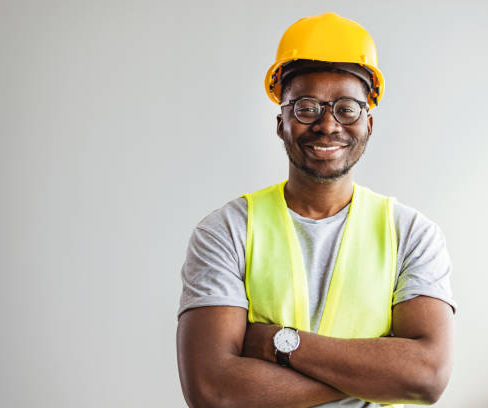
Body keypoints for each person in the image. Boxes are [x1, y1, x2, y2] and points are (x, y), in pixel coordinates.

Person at [177, 12, 456, 408]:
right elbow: (214, 392)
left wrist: (278, 344)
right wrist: (382, 374)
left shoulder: (410, 234)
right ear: (281, 123)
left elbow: (427, 377)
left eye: (347, 108)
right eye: (307, 107)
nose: (327, 125)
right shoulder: (226, 231)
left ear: (369, 124)